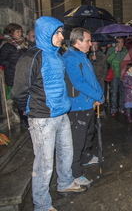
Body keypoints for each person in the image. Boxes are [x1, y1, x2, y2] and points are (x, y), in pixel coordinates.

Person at [11, 16, 86, 211]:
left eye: (61, 32)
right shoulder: (31, 57)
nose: (62, 36)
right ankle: (42, 205)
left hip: (61, 114)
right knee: (44, 165)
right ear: (47, 34)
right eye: (58, 33)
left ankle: (65, 182)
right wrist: (31, 110)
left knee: (66, 152)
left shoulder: (56, 55)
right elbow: (18, 91)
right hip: (42, 118)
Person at [62, 28, 104, 188]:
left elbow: (91, 78)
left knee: (88, 133)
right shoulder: (71, 58)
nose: (90, 43)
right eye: (87, 40)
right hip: (77, 106)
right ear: (77, 41)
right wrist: (97, 96)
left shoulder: (82, 56)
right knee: (77, 140)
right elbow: (79, 83)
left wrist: (98, 95)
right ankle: (75, 173)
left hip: (88, 103)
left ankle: (85, 157)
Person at [107, 36, 128, 116]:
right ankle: (113, 108)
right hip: (114, 74)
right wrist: (115, 52)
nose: (120, 44)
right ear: (116, 43)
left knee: (123, 92)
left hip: (123, 75)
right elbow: (108, 60)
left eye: (122, 42)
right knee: (114, 93)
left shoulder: (126, 51)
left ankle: (121, 108)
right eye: (119, 42)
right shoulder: (111, 50)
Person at [88, 41, 108, 116]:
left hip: (100, 78)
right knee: (93, 95)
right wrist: (92, 60)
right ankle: (93, 110)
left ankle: (101, 110)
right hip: (92, 79)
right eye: (93, 45)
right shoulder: (88, 55)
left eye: (96, 45)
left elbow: (104, 65)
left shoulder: (101, 55)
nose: (94, 46)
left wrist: (103, 77)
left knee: (101, 94)